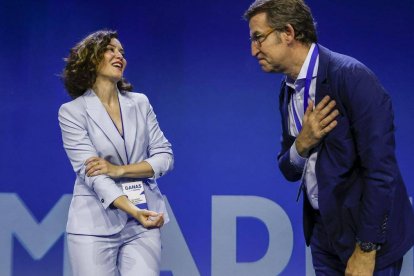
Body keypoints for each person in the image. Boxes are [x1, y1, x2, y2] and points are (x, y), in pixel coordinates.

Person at [244, 0, 414, 275]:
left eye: (258, 38)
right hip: (325, 235)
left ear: (288, 33)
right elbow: (287, 168)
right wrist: (302, 143)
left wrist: (366, 249)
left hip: (366, 235)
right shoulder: (287, 89)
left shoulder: (351, 78)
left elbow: (381, 170)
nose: (253, 50)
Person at [58, 29, 173, 276]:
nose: (119, 55)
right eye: (110, 49)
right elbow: (93, 175)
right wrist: (133, 210)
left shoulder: (140, 102)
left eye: (122, 51)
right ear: (91, 58)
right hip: (94, 226)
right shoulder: (72, 112)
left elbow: (164, 156)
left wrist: (120, 170)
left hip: (144, 221)